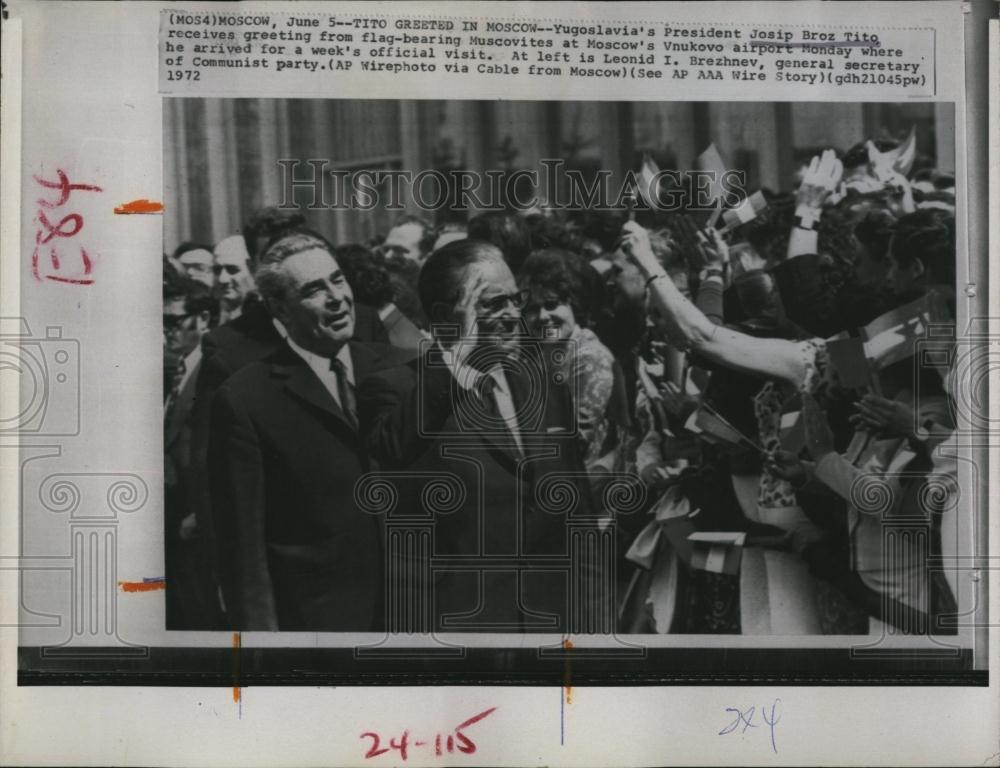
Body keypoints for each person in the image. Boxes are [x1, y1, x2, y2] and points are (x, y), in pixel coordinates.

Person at [359, 239, 600, 633]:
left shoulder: (544, 384)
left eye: (514, 300)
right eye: (491, 304)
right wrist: (455, 356)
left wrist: (597, 626)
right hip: (461, 635)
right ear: (445, 316)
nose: (512, 315)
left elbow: (581, 522)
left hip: (554, 627)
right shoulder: (399, 392)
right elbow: (394, 451)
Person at [208, 230, 408, 631]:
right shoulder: (247, 399)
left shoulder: (401, 369)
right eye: (314, 290)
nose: (336, 297)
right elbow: (245, 555)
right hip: (320, 628)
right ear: (280, 309)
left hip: (413, 615)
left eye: (338, 280)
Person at [518, 248, 629, 477]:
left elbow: (576, 439)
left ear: (574, 304)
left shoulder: (589, 356)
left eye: (551, 304)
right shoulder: (539, 352)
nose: (541, 316)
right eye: (531, 309)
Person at [212, 234, 257, 323]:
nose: (222, 279)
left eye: (232, 269)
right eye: (217, 270)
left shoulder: (267, 315)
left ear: (251, 268)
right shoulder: (210, 317)